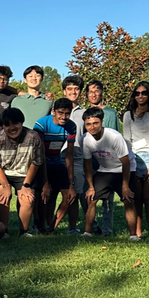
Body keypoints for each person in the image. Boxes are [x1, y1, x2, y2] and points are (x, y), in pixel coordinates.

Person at [81, 107, 139, 240]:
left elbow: (126, 162)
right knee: (91, 199)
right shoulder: (85, 139)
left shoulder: (114, 137)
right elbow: (87, 164)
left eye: (95, 123)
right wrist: (90, 187)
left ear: (102, 122)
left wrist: (125, 186)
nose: (92, 127)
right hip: (105, 169)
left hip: (124, 169)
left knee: (127, 200)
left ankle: (133, 235)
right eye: (88, 124)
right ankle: (87, 233)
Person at [0, 107, 44, 236]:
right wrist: (5, 186)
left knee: (27, 199)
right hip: (3, 173)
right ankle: (4, 231)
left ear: (21, 122)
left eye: (15, 123)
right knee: (3, 196)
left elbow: (36, 162)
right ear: (2, 126)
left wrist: (26, 185)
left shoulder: (33, 136)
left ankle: (24, 231)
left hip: (25, 174)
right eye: (7, 125)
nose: (12, 128)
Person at [123, 81, 149, 237]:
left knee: (148, 197)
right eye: (137, 93)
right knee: (137, 198)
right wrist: (131, 164)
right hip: (135, 158)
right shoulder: (128, 115)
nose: (140, 96)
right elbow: (127, 141)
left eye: (144, 93)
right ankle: (138, 233)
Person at [33, 98, 78, 234]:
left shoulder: (71, 126)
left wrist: (70, 182)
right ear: (53, 111)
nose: (64, 117)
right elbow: (40, 154)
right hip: (41, 162)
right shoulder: (41, 124)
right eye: (60, 113)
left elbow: (69, 155)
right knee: (44, 195)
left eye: (67, 113)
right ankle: (40, 226)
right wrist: (45, 182)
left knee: (68, 196)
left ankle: (51, 227)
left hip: (57, 161)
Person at [85, 80, 120, 235]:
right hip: (90, 160)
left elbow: (117, 135)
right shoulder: (85, 113)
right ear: (86, 94)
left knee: (108, 199)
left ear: (102, 93)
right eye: (90, 91)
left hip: (108, 161)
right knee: (89, 196)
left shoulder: (111, 113)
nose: (94, 94)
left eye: (97, 91)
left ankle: (107, 230)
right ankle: (92, 227)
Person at [61, 76, 90, 231]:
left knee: (75, 194)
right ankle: (46, 225)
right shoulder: (56, 110)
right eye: (70, 89)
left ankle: (72, 227)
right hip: (57, 156)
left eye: (76, 89)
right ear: (64, 91)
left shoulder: (84, 113)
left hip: (77, 157)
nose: (73, 92)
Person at [11, 65, 53, 129]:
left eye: (37, 76)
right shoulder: (16, 101)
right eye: (30, 76)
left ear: (42, 79)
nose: (34, 78)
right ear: (25, 80)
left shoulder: (48, 101)